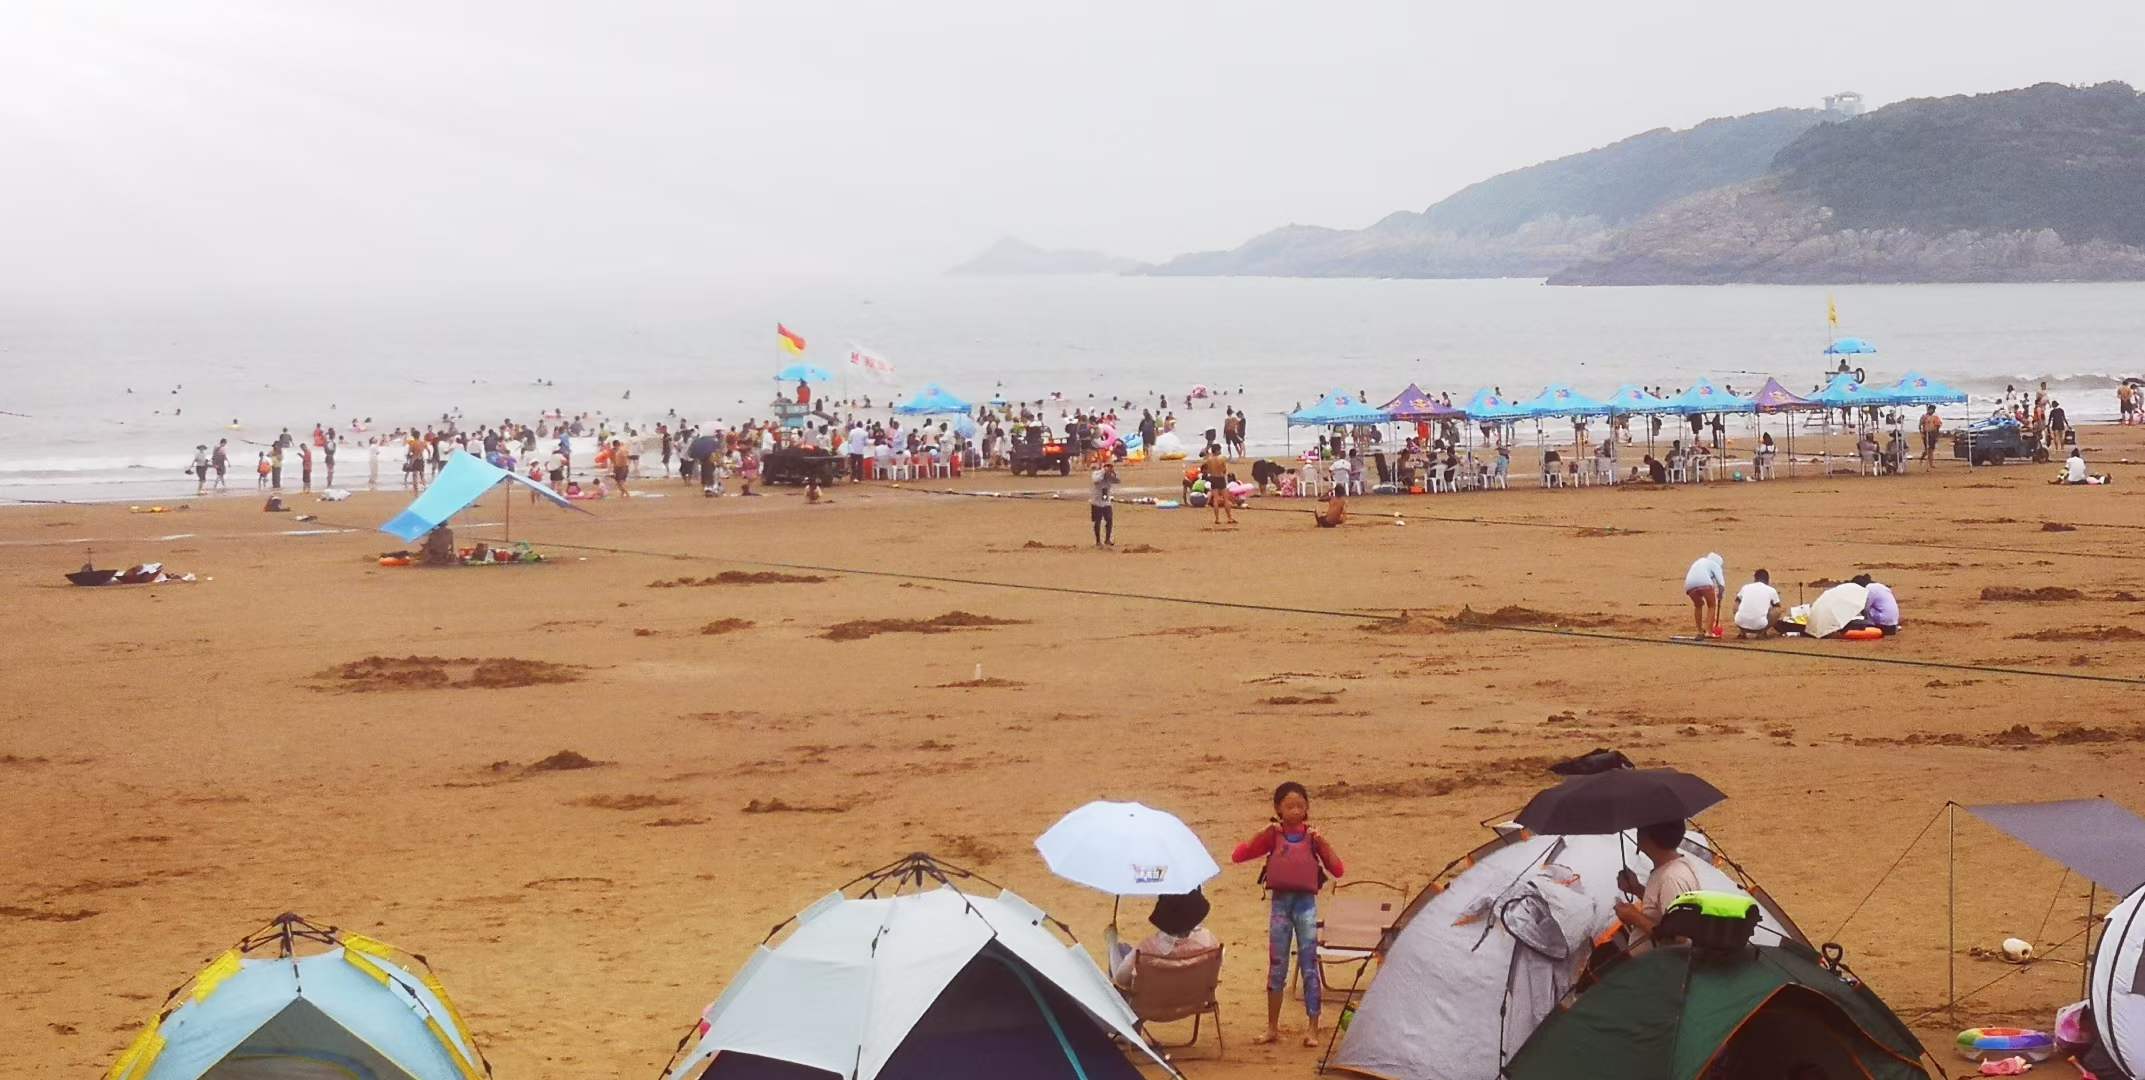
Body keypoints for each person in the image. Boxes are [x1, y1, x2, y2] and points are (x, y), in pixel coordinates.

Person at [1232, 782, 1344, 1047]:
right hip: (1281, 907)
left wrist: (1323, 842)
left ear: (1307, 809)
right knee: (1277, 966)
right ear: (1278, 809)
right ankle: (1272, 1027)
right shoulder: (1273, 835)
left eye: (1300, 806)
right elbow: (1239, 856)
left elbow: (1338, 869)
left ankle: (1313, 1028)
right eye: (1289, 806)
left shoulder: (1312, 837)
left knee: (1309, 964)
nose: (1295, 811)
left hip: (1305, 905)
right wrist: (1261, 834)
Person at [1111, 888, 1220, 991]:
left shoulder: (1147, 949)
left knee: (1120, 949)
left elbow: (1121, 980)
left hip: (1152, 1001)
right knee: (1124, 949)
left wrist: (1111, 942)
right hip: (1192, 998)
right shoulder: (1208, 941)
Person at [1613, 821, 1704, 939]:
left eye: (1640, 830)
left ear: (1648, 837)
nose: (1637, 833)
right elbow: (1663, 909)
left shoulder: (1671, 878)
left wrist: (1635, 918)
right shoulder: (1669, 869)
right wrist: (1637, 889)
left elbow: (1678, 938)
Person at [1683, 552, 1725, 639]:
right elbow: (1721, 584)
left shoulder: (1700, 561)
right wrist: (1720, 594)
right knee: (1712, 605)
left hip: (1689, 584)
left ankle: (1699, 631)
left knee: (1698, 605)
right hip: (1705, 583)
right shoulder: (1715, 565)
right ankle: (1708, 631)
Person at [1733, 569, 1781, 639]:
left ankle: (1742, 632)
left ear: (1755, 579)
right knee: (1777, 610)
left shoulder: (1746, 587)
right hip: (1759, 625)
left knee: (1737, 602)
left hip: (1740, 622)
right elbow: (1777, 606)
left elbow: (1737, 601)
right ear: (1768, 580)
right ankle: (1762, 633)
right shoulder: (1771, 590)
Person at [1202, 444, 1235, 525]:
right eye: (1219, 450)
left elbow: (1208, 470)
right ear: (1217, 450)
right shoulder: (1222, 458)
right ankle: (1229, 517)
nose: (1220, 451)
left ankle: (1217, 519)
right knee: (1226, 499)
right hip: (1220, 478)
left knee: (1215, 500)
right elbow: (1224, 470)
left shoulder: (1209, 459)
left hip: (1213, 478)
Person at [1090, 461, 1118, 547]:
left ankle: (1107, 539)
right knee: (1097, 521)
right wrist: (1103, 472)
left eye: (1110, 466)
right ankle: (1098, 541)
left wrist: (1112, 473)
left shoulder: (1110, 475)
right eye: (1107, 466)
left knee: (1109, 519)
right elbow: (1096, 480)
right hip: (1096, 501)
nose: (1108, 468)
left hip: (1106, 501)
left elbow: (1117, 481)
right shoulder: (1096, 473)